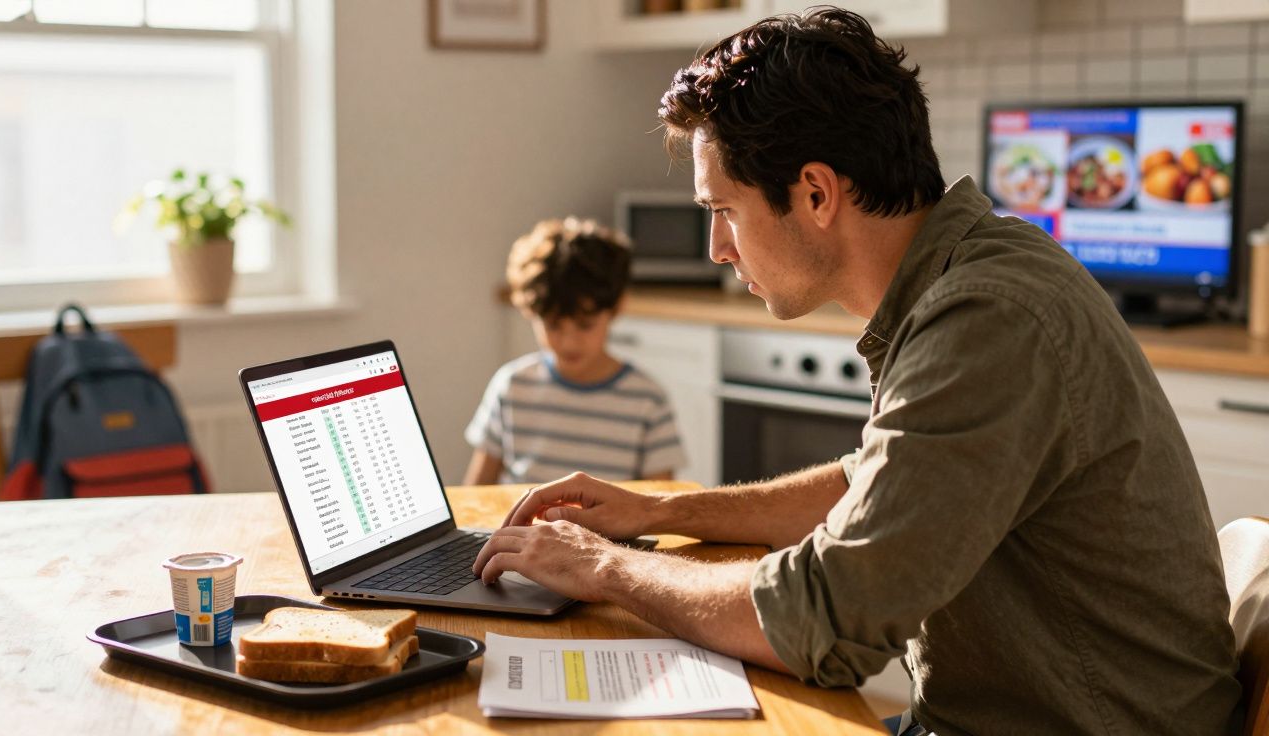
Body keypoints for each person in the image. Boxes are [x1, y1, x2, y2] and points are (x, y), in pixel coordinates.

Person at [472, 8, 1242, 735]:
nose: (717, 248)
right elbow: (876, 485)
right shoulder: (972, 272)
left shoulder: (988, 316)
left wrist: (608, 570)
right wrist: (658, 511)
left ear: (815, 193)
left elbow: (826, 619)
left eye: (726, 210)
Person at [462, 216, 686, 486]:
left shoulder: (647, 401)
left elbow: (658, 506)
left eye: (585, 325)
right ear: (531, 313)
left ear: (616, 308)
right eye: (553, 325)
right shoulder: (511, 385)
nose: (568, 342)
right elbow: (477, 492)